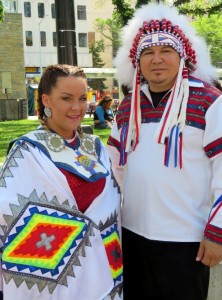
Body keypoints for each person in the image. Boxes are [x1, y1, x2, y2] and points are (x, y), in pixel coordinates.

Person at [107, 3, 222, 300]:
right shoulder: (127, 106)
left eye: (166, 51)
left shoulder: (210, 101)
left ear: (182, 55)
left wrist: (218, 232)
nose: (156, 60)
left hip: (185, 240)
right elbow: (113, 170)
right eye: (147, 52)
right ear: (137, 60)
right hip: (131, 235)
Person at [0, 64, 123, 300]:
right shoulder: (27, 150)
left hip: (104, 269)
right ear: (46, 100)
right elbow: (9, 212)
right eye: (66, 98)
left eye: (82, 98)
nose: (76, 107)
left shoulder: (95, 148)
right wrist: (80, 232)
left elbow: (112, 206)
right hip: (51, 278)